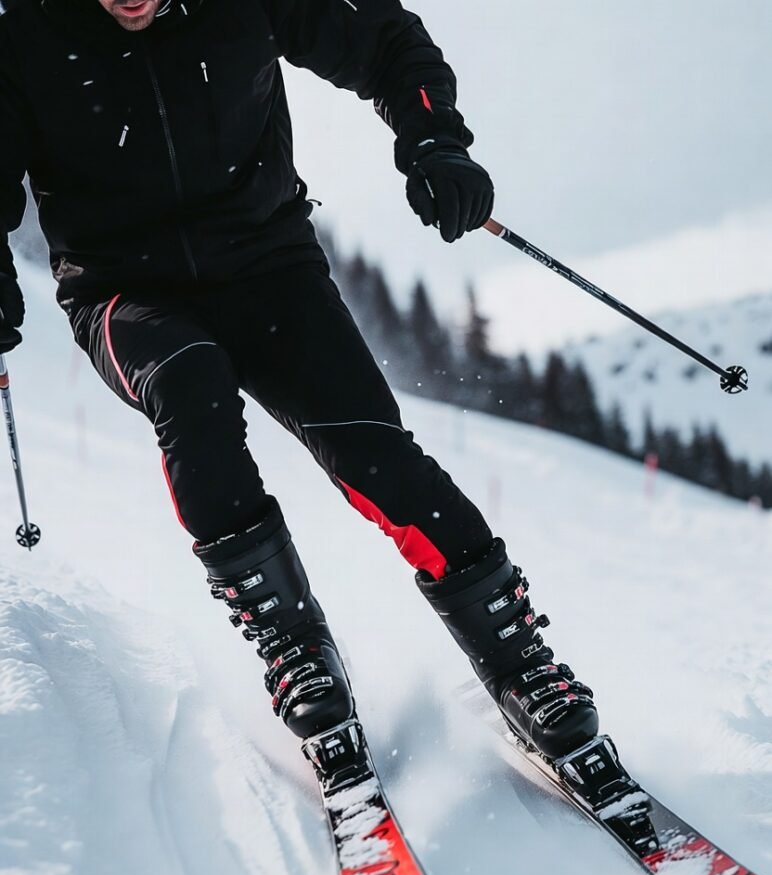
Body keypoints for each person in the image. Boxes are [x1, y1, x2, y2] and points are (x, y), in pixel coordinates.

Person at [0, 0, 598, 762]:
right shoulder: (24, 30)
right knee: (191, 388)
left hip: (267, 266)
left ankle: (521, 663)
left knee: (374, 455)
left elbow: (386, 40)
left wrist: (433, 141)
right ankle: (295, 648)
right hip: (124, 291)